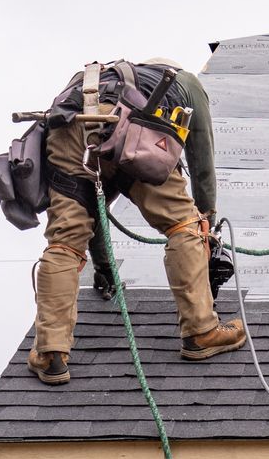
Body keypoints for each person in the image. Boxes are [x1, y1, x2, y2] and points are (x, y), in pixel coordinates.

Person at [27, 59, 246, 385]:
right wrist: (207, 221)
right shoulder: (186, 83)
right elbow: (201, 161)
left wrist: (104, 268)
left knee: (65, 241)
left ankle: (51, 353)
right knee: (182, 224)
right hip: (135, 128)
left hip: (69, 129)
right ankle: (201, 332)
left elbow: (96, 204)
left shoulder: (91, 79)